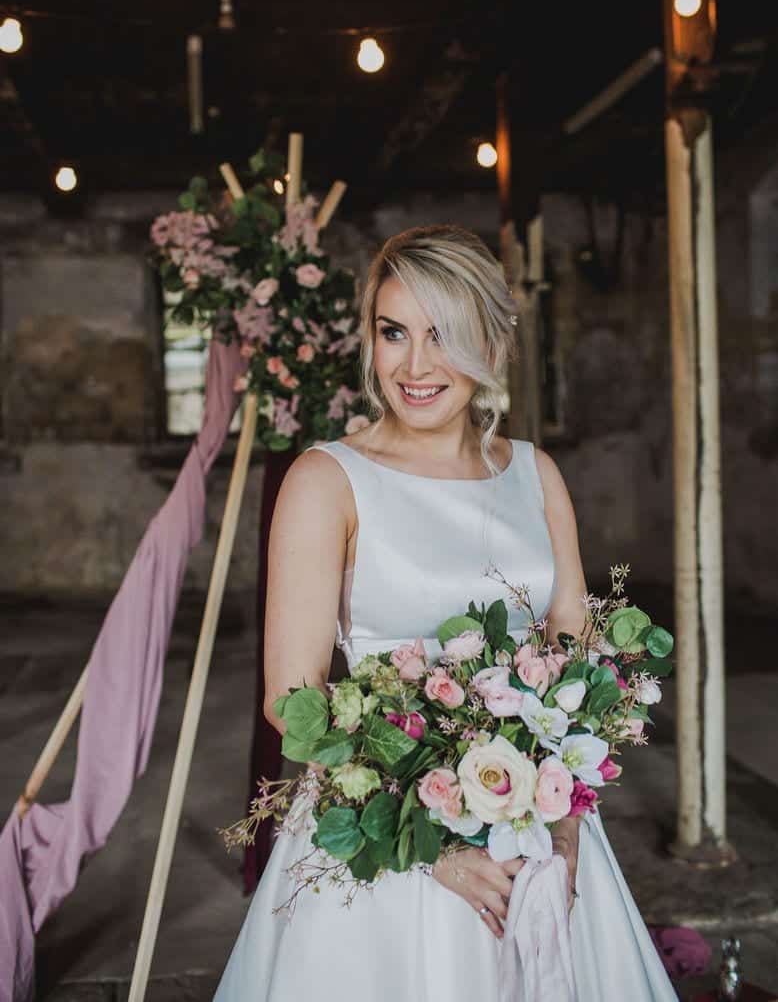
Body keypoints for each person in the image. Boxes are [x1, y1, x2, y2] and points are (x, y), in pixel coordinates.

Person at [214, 225, 678, 1000]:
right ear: (370, 342)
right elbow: (291, 699)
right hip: (387, 843)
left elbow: (574, 646)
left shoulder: (536, 473)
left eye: (444, 335)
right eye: (394, 332)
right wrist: (427, 845)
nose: (416, 365)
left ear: (492, 346)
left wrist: (562, 817)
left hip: (538, 828)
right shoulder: (327, 479)